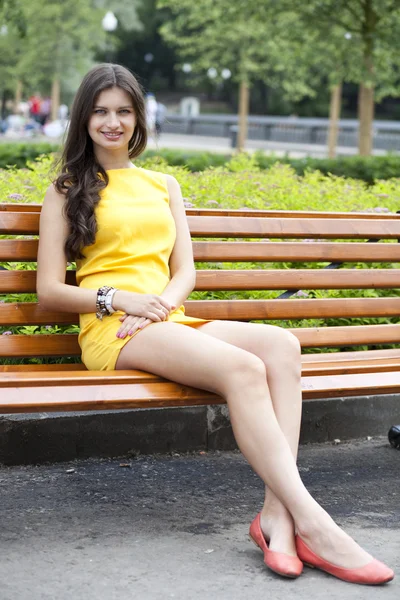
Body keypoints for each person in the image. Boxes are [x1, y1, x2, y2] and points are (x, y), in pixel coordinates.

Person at [36, 63, 394, 586]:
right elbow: (49, 291)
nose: (112, 123)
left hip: (164, 319)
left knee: (281, 346)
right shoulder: (67, 189)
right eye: (100, 112)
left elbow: (185, 271)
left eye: (123, 111)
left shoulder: (163, 183)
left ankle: (276, 515)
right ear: (83, 119)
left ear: (139, 119)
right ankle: (315, 523)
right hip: (111, 329)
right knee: (244, 370)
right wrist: (122, 301)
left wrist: (157, 304)